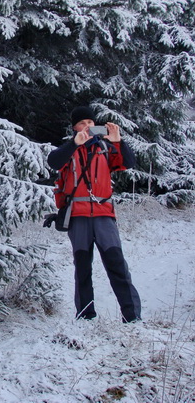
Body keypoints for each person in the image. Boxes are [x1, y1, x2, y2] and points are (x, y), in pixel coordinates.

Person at [47, 105, 141, 323]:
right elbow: (53, 162)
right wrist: (73, 144)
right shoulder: (69, 151)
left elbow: (128, 162)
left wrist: (118, 141)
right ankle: (85, 316)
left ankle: (132, 316)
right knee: (82, 269)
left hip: (104, 215)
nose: (88, 127)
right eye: (83, 123)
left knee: (117, 265)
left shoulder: (106, 149)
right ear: (74, 128)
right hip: (78, 216)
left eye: (91, 123)